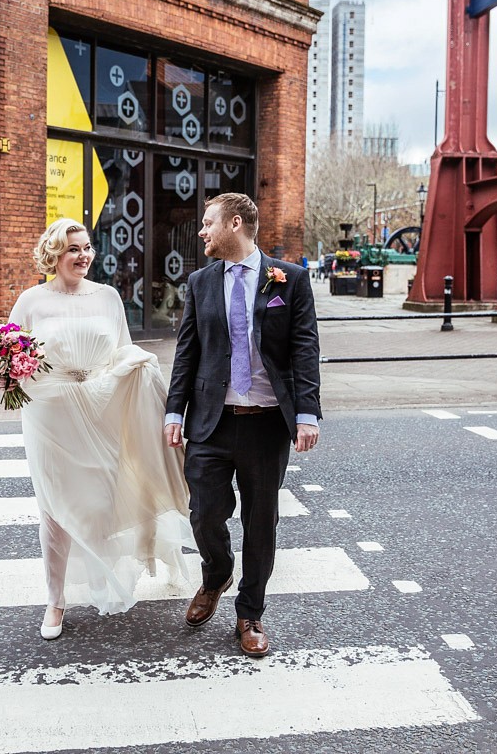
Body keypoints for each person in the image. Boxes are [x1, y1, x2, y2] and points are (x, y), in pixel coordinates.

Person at [8, 218, 195, 640]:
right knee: (54, 510)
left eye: (87, 247)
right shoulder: (31, 301)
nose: (83, 256)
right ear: (55, 254)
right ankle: (55, 599)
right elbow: (10, 351)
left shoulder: (108, 296)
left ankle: (103, 578)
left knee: (100, 504)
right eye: (73, 248)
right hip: (50, 413)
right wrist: (5, 374)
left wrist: (140, 368)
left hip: (101, 407)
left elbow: (120, 348)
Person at [164, 193, 321, 658]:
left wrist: (307, 412)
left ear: (235, 224)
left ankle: (250, 613)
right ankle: (216, 574)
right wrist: (174, 411)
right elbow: (187, 353)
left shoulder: (288, 279)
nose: (201, 232)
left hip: (267, 423)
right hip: (211, 421)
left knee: (260, 520)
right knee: (204, 512)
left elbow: (304, 348)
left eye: (208, 223)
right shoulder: (200, 282)